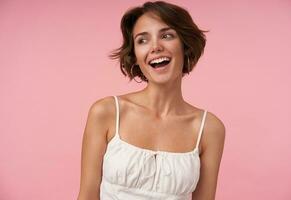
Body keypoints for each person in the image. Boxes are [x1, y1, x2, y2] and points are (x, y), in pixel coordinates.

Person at [77, 1, 225, 200]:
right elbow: (87, 196)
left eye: (166, 35)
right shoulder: (106, 112)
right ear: (135, 56)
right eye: (142, 40)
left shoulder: (209, 128)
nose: (155, 47)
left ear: (185, 45)